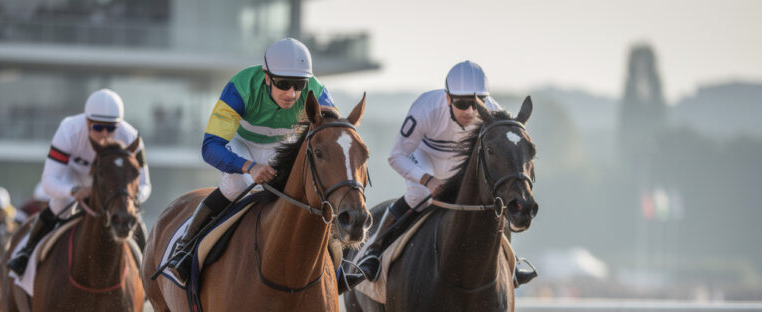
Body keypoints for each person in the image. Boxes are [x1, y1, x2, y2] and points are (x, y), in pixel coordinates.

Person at [340, 60, 537, 291]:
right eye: (462, 103)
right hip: (425, 157)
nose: (470, 111)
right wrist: (428, 180)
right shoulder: (426, 108)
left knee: (492, 199)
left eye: (476, 103)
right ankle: (374, 252)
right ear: (448, 98)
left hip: (463, 163)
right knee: (419, 194)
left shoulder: (492, 111)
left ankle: (511, 263)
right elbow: (396, 156)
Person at [166, 37, 336, 282]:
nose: (291, 93)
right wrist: (249, 166)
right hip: (242, 144)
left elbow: (334, 132)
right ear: (267, 77)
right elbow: (210, 147)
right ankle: (186, 248)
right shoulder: (241, 87)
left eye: (299, 85)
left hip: (283, 147)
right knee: (237, 185)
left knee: (311, 190)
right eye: (283, 84)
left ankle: (339, 265)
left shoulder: (316, 91)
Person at [7, 89, 152, 276]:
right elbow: (48, 181)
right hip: (73, 177)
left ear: (119, 125)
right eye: (98, 127)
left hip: (111, 185)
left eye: (111, 128)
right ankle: (25, 253)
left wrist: (131, 199)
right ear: (87, 122)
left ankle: (146, 270)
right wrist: (73, 190)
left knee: (131, 214)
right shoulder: (69, 130)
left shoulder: (131, 137)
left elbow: (145, 184)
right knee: (59, 205)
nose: (105, 134)